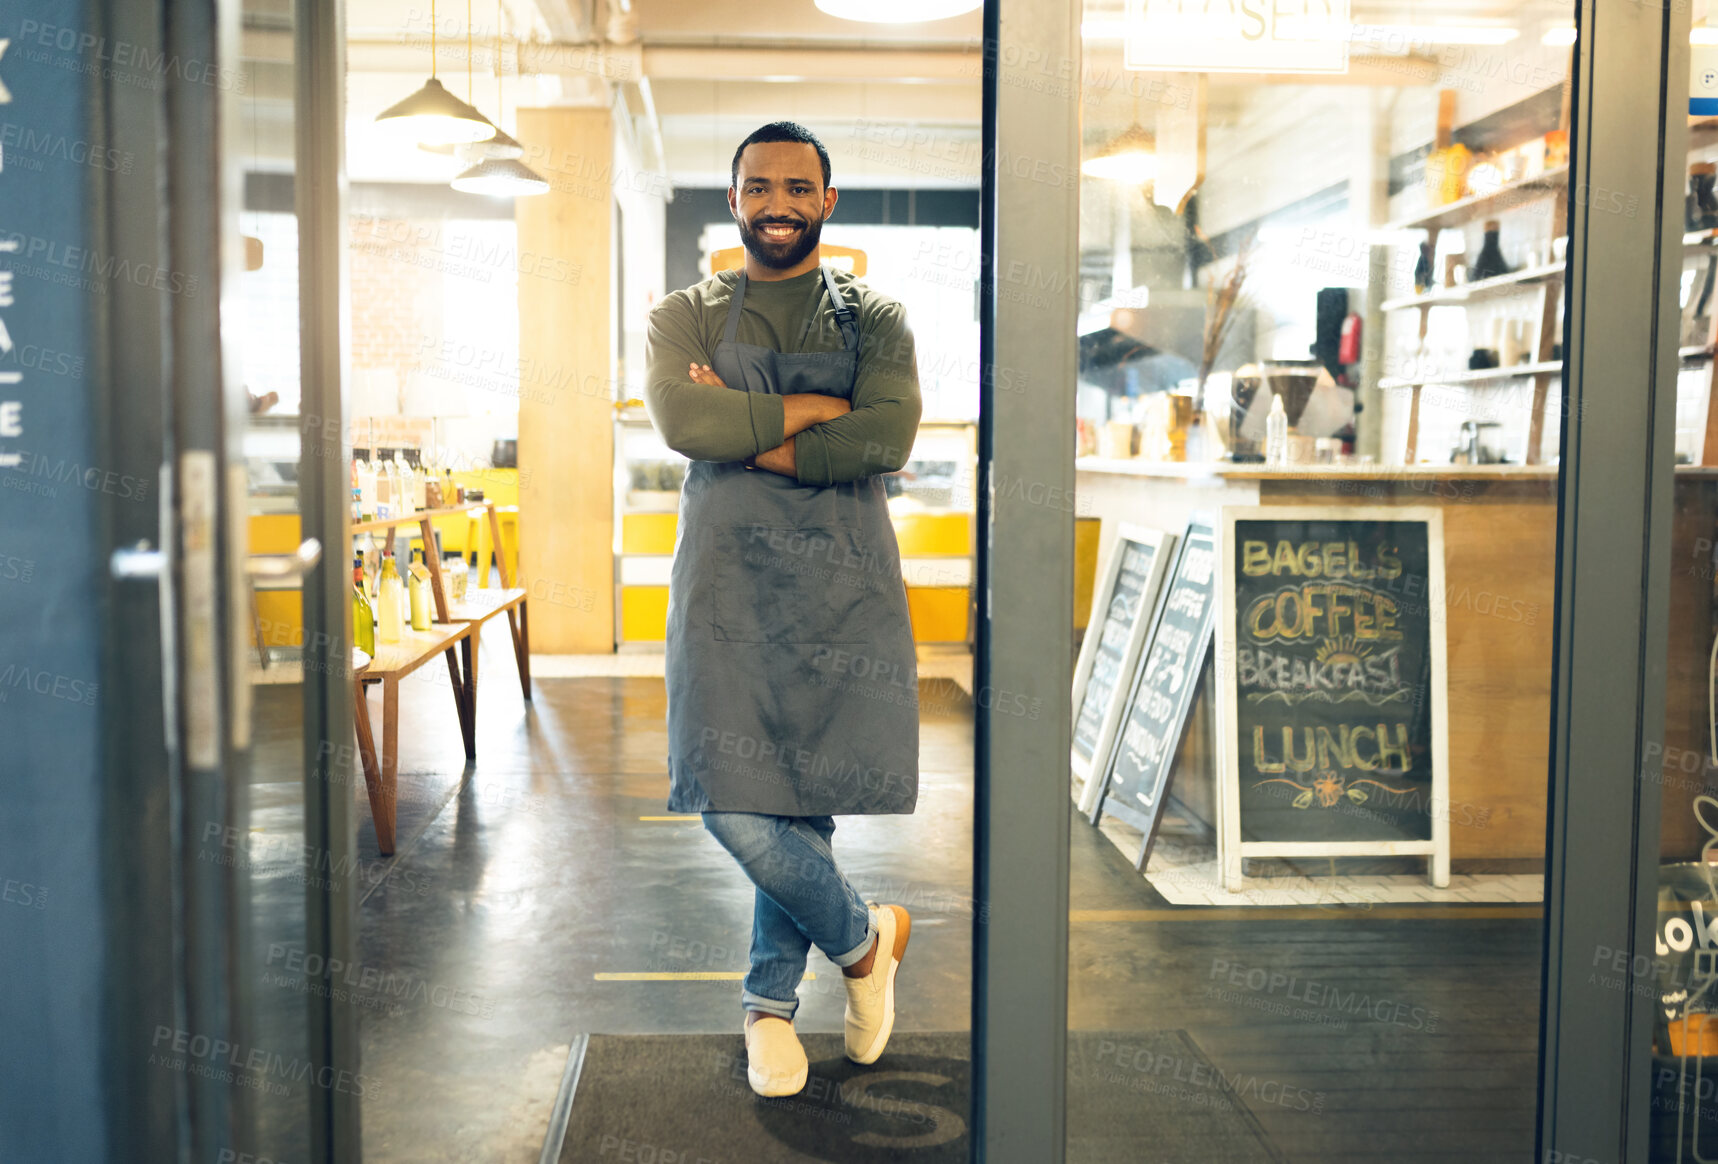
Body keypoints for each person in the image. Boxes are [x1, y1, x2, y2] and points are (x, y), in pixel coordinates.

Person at [643, 121, 923, 1098]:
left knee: (801, 795)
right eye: (757, 186)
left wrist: (752, 431)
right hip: (722, 581)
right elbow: (685, 421)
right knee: (729, 797)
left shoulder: (874, 318)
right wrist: (814, 414)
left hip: (837, 584)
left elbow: (887, 436)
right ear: (732, 200)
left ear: (826, 201)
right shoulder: (681, 313)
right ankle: (861, 941)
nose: (776, 203)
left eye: (796, 187)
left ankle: (767, 1010)